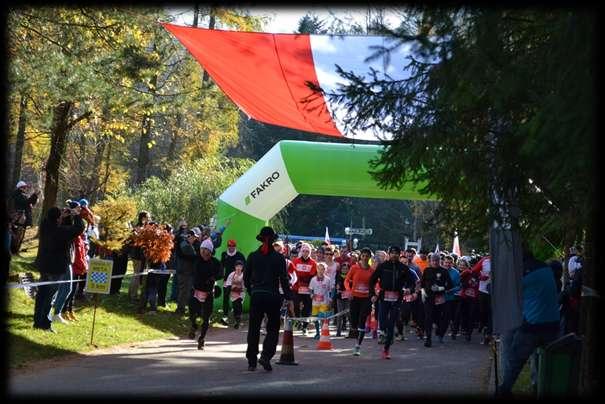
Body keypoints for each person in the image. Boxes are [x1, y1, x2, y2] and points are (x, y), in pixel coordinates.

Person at [497, 245, 560, 397]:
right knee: (546, 363)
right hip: (553, 325)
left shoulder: (522, 272)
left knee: (515, 362)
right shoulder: (545, 268)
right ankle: (539, 387)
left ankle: (504, 391)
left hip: (532, 325)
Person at [244, 226, 294, 371]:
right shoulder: (279, 258)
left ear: (260, 239)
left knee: (253, 328)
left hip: (257, 295)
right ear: (273, 240)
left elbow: (246, 278)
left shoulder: (253, 256)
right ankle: (266, 356)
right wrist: (289, 298)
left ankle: (251, 361)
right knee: (272, 329)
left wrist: (251, 291)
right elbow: (284, 280)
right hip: (272, 296)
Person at [33, 206, 85, 332]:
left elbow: (64, 228)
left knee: (41, 295)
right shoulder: (59, 232)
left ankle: (37, 322)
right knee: (48, 297)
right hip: (55, 269)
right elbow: (79, 228)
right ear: (57, 219)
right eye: (60, 215)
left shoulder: (45, 226)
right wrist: (76, 215)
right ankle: (44, 324)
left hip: (44, 266)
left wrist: (64, 217)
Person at [370, 246, 417, 359]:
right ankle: (384, 333)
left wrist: (409, 290)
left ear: (399, 254)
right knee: (383, 320)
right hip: (383, 297)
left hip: (397, 298)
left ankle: (386, 350)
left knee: (391, 323)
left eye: (397, 253)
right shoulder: (383, 266)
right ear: (389, 254)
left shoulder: (403, 268)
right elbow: (372, 280)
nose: (394, 255)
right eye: (392, 253)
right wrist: (372, 294)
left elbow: (412, 282)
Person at [188, 238, 221, 350]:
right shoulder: (196, 259)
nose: (203, 253)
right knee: (194, 314)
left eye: (206, 250)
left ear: (210, 252)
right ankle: (193, 326)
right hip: (196, 291)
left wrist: (213, 278)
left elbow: (221, 273)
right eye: (202, 250)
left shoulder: (215, 262)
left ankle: (202, 339)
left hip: (208, 294)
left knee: (206, 318)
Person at [344, 247, 375, 356]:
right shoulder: (354, 268)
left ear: (370, 258)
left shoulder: (372, 271)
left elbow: (377, 284)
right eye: (363, 256)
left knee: (362, 320)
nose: (365, 258)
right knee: (354, 322)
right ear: (360, 257)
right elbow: (347, 280)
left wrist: (375, 294)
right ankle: (356, 331)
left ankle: (358, 346)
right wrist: (348, 291)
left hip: (366, 299)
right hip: (355, 298)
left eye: (367, 256)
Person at [420, 254, 453, 347]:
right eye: (433, 260)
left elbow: (450, 285)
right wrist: (422, 292)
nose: (434, 262)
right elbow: (422, 284)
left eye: (436, 261)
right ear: (430, 261)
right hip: (428, 297)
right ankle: (428, 338)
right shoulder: (426, 270)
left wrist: (441, 288)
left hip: (439, 298)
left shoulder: (444, 271)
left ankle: (439, 330)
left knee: (438, 318)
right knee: (428, 318)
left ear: (440, 261)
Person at [289, 242, 317, 335]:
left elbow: (312, 276)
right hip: (297, 288)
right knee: (296, 306)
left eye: (307, 251)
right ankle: (298, 322)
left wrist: (302, 277)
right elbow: (292, 274)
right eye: (304, 251)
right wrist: (301, 277)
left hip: (308, 289)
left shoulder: (313, 263)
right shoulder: (295, 261)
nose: (305, 253)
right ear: (301, 251)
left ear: (309, 252)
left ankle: (305, 326)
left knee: (307, 308)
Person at [9, 180, 39, 255]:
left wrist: (35, 196)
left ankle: (15, 251)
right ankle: (13, 251)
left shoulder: (23, 195)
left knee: (20, 235)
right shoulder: (17, 195)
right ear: (20, 188)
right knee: (17, 235)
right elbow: (26, 203)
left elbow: (30, 203)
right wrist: (34, 195)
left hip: (23, 219)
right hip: (18, 218)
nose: (26, 188)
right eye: (24, 187)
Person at [220, 239, 246, 324]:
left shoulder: (240, 255)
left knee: (237, 298)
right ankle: (225, 315)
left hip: (237, 281)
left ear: (235, 246)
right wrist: (222, 277)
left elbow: (244, 268)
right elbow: (221, 266)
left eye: (233, 246)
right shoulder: (224, 254)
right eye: (229, 246)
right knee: (226, 297)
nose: (231, 247)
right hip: (227, 280)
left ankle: (237, 316)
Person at [175, 229, 199, 315]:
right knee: (184, 291)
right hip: (184, 271)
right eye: (194, 238)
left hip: (186, 271)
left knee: (185, 291)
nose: (195, 239)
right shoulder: (185, 245)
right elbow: (193, 255)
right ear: (189, 236)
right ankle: (180, 309)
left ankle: (181, 308)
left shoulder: (185, 243)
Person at [128, 211, 150, 302]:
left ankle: (131, 294)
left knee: (137, 275)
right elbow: (137, 242)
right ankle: (133, 296)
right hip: (137, 256)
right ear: (143, 218)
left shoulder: (143, 228)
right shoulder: (138, 228)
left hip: (141, 255)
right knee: (136, 276)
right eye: (148, 217)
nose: (149, 219)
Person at [309, 262, 334, 339]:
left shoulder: (328, 280)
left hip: (324, 302)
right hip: (315, 302)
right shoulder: (313, 279)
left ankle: (323, 332)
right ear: (316, 269)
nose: (321, 270)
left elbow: (331, 290)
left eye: (323, 269)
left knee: (323, 318)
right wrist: (311, 295)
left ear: (325, 270)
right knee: (315, 318)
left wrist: (330, 299)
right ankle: (317, 333)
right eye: (319, 269)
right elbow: (310, 289)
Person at [472, 254, 493, 344]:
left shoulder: (502, 260)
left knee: (491, 312)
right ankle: (484, 327)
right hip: (483, 290)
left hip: (496, 292)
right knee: (483, 311)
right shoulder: (484, 260)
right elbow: (473, 272)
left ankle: (488, 333)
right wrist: (480, 277)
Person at [458, 258, 479, 341]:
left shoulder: (476, 273)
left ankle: (468, 333)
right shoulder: (464, 273)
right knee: (463, 313)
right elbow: (462, 284)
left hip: (473, 297)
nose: (474, 266)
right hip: (464, 297)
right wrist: (468, 282)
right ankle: (464, 328)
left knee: (471, 314)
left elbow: (478, 282)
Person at [443, 255, 462, 340]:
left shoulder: (456, 273)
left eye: (450, 263)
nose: (447, 264)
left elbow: (459, 286)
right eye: (446, 262)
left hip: (450, 298)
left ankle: (452, 331)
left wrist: (451, 290)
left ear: (453, 263)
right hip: (439, 297)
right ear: (443, 262)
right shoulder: (439, 270)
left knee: (448, 316)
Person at [224, 259, 246, 329]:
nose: (239, 268)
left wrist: (241, 289)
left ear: (242, 267)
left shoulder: (244, 275)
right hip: (233, 293)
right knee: (235, 306)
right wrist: (229, 290)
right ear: (235, 267)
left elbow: (245, 285)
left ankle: (238, 320)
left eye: (240, 266)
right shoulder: (231, 274)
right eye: (237, 266)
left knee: (238, 304)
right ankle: (237, 319)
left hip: (241, 293)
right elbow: (228, 284)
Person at [334, 261, 352, 337]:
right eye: (343, 268)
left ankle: (352, 330)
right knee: (339, 314)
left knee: (349, 314)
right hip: (340, 297)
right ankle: (338, 332)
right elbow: (336, 285)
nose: (344, 270)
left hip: (348, 298)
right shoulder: (338, 275)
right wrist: (337, 288)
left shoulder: (351, 276)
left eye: (346, 268)